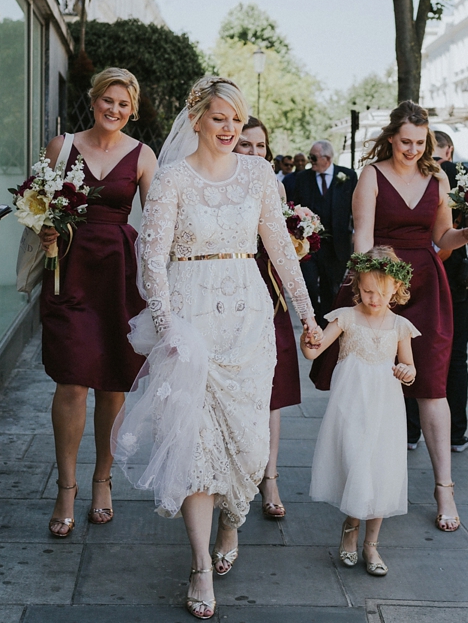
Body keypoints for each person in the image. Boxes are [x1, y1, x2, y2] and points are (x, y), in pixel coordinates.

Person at [114, 77, 320, 619]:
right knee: (196, 445)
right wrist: (169, 327)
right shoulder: (174, 179)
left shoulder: (257, 174)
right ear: (197, 120)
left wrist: (306, 316)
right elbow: (151, 261)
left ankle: (234, 520)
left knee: (253, 446)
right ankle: (200, 564)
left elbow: (280, 249)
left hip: (250, 321)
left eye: (237, 118)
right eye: (219, 117)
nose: (229, 128)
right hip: (190, 319)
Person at [309, 101, 468, 533]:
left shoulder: (438, 177)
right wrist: (376, 295)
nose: (412, 150)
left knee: (432, 385)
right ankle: (360, 485)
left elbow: (442, 238)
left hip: (427, 286)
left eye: (420, 142)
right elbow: (364, 239)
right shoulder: (370, 176)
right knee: (367, 387)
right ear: (391, 137)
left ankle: (443, 487)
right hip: (378, 285)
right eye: (405, 141)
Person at [38, 67, 158, 538]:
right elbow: (37, 209)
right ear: (94, 100)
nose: (115, 110)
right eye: (108, 100)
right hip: (69, 272)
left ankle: (102, 480)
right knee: (70, 381)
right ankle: (65, 489)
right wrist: (44, 227)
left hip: (120, 277)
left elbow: (157, 225)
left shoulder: (144, 155)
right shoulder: (61, 146)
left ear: (133, 109)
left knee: (113, 385)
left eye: (124, 104)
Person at [303, 247, 418, 578]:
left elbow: (410, 367)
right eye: (368, 290)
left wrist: (406, 373)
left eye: (382, 292)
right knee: (357, 464)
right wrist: (307, 339)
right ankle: (351, 526)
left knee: (381, 470)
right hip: (351, 407)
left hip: (385, 409)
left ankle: (371, 543)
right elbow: (314, 351)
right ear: (358, 285)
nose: (374, 298)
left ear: (396, 288)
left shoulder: (400, 326)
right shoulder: (346, 317)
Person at [236, 118, 297, 521]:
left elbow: (283, 247)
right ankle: (236, 471)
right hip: (227, 287)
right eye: (246, 145)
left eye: (261, 146)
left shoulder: (275, 186)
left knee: (272, 387)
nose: (255, 153)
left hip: (268, 288)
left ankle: (269, 477)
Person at [432, 130, 468, 453]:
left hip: (434, 275)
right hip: (456, 279)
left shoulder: (432, 176)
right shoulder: (466, 179)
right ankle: (456, 431)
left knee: (419, 352)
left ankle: (413, 430)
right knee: (457, 357)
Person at [287, 140, 357, 318]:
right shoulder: (303, 178)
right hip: (310, 244)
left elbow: (356, 207)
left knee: (331, 288)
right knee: (309, 284)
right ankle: (314, 316)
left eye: (313, 157)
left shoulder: (348, 176)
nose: (310, 161)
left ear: (327, 158)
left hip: (337, 244)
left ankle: (325, 323)